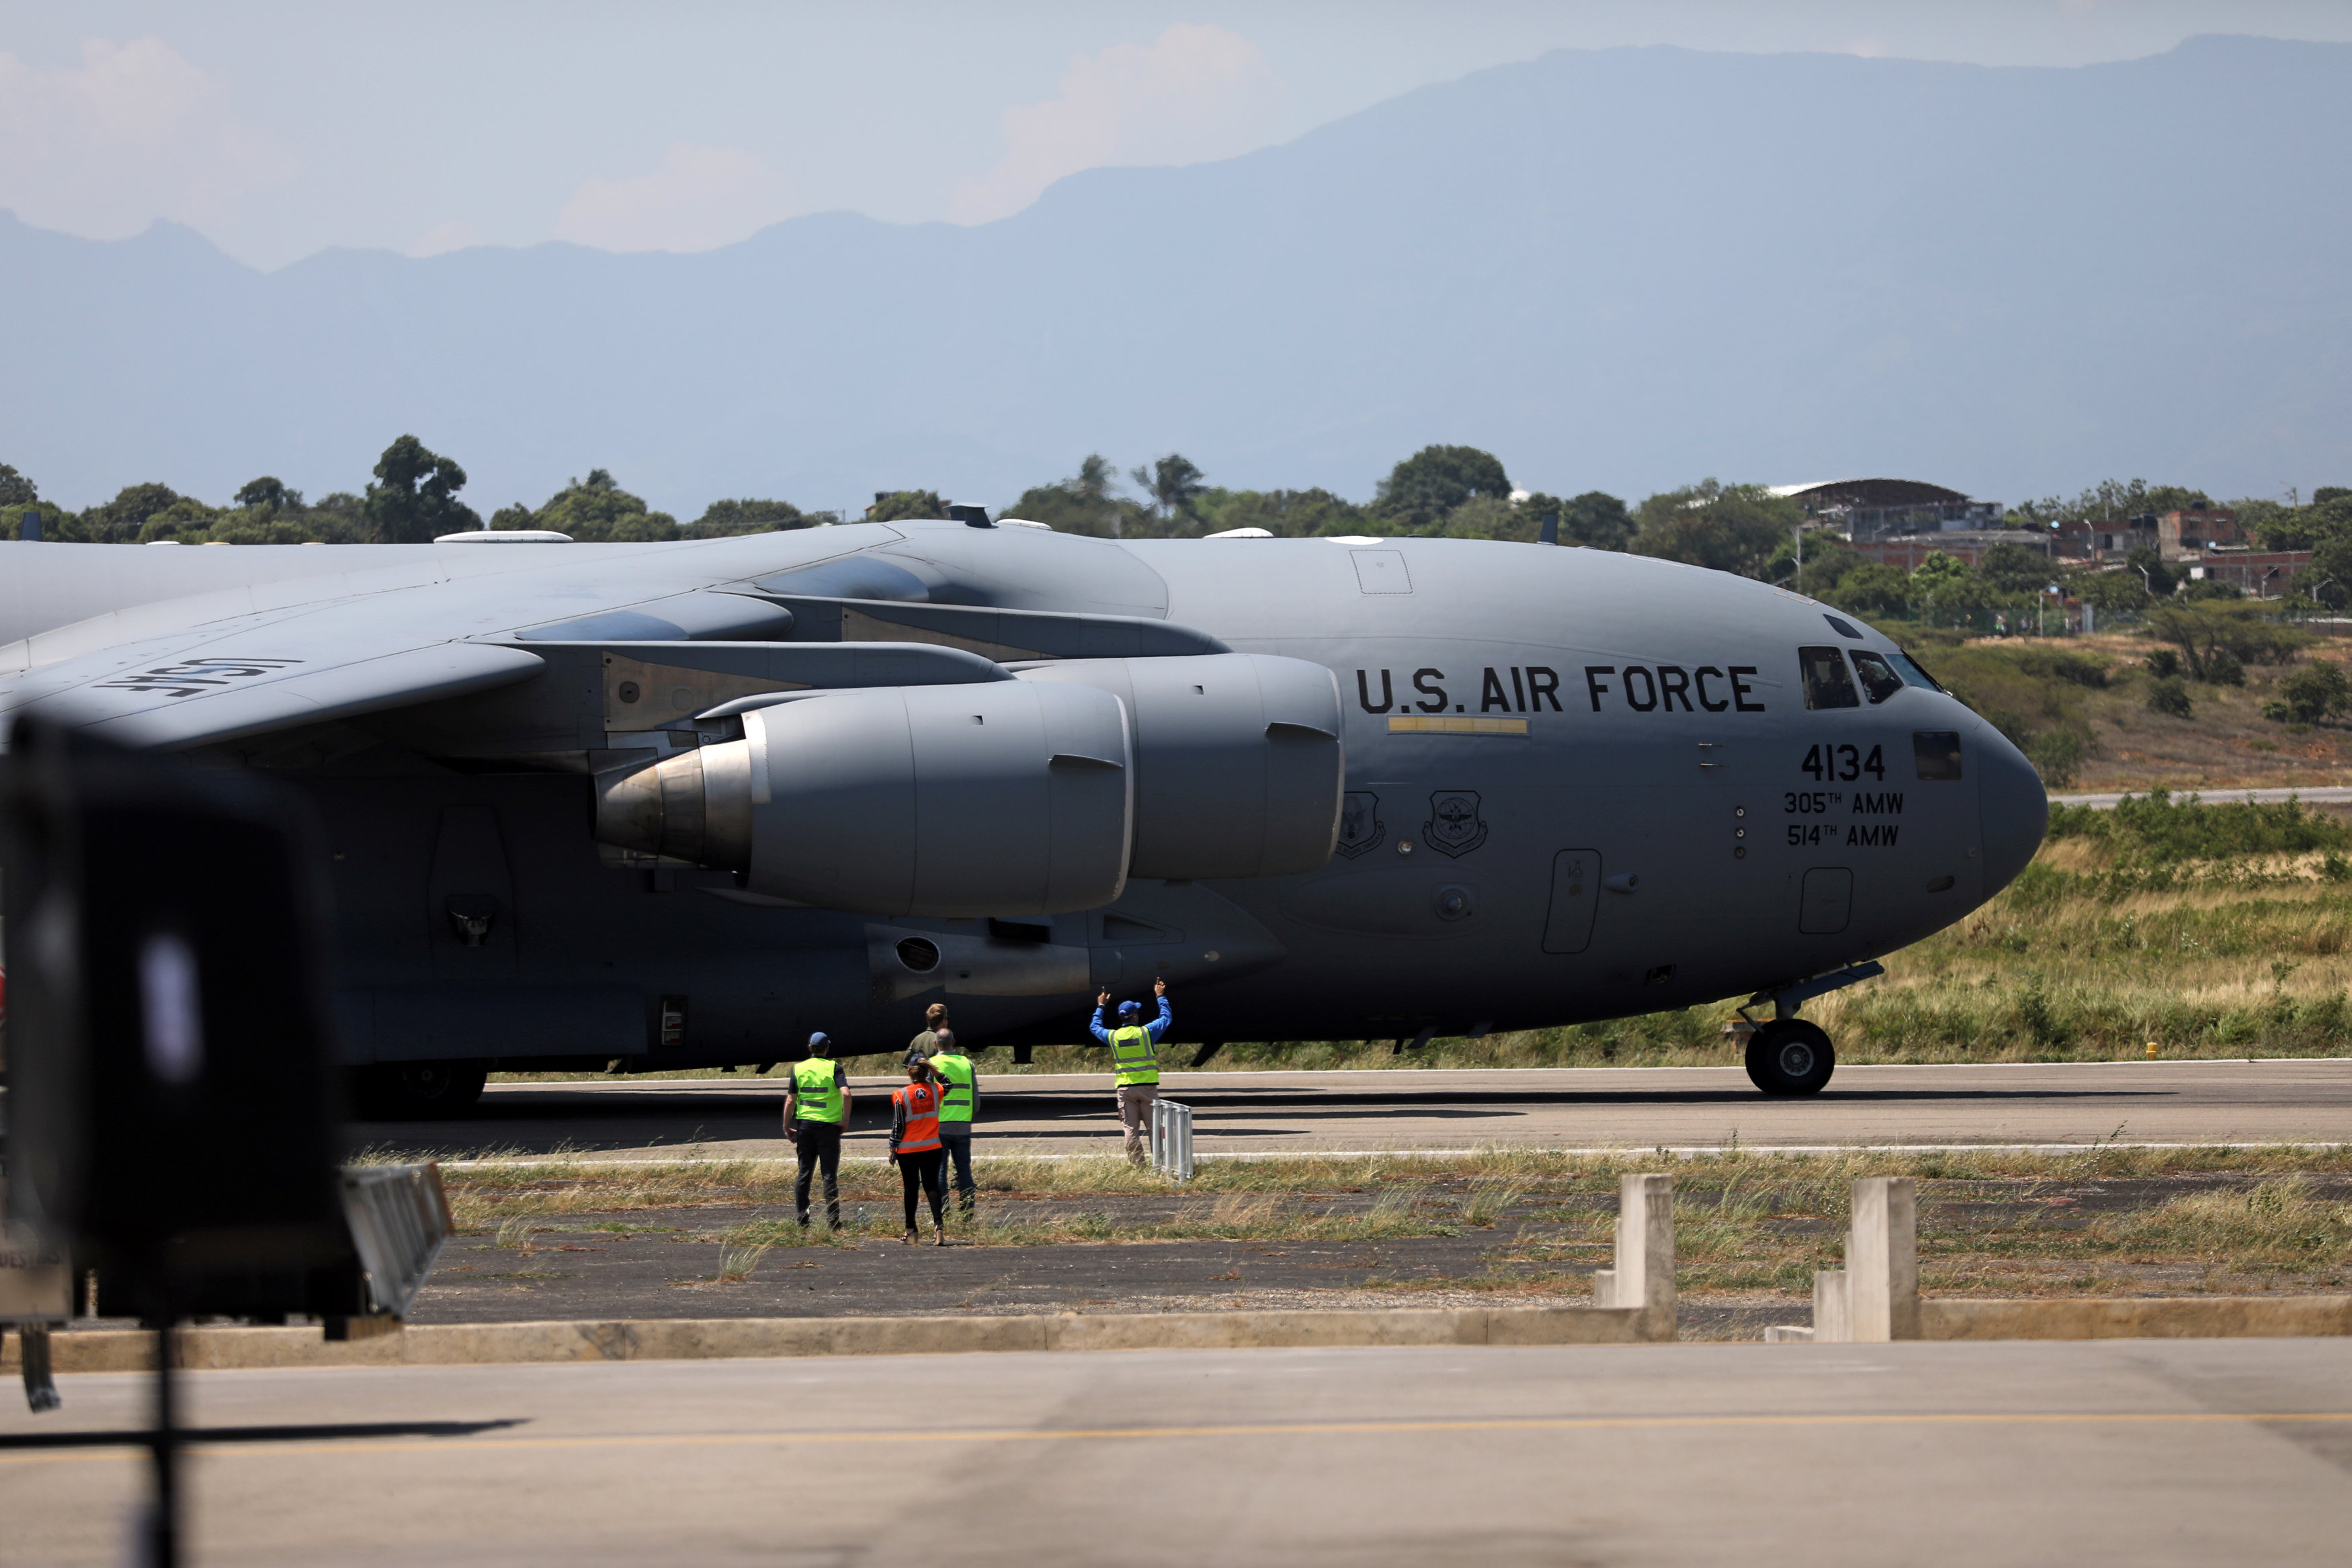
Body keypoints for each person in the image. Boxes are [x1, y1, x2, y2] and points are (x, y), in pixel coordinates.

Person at [1091, 979, 1170, 1164]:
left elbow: (1095, 1027)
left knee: (1130, 1129)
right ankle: (1160, 1164)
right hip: (1148, 1088)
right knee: (1155, 1129)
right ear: (1134, 1016)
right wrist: (1160, 997)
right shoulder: (1146, 1033)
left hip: (1125, 1089)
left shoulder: (1113, 1036)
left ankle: (1137, 1165)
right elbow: (1166, 1019)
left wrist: (1101, 1007)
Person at [783, 1031, 851, 1228]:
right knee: (829, 1176)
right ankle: (834, 1221)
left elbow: (790, 1100)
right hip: (829, 1128)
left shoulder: (799, 1069)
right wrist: (844, 1121)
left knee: (804, 1174)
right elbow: (846, 1095)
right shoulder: (834, 1068)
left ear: (810, 1048)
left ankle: (802, 1220)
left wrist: (787, 1126)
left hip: (805, 1127)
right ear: (827, 1048)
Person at [890, 1055, 950, 1245]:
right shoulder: (936, 1089)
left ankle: (911, 1231)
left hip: (907, 1151)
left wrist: (893, 1146)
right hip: (932, 1147)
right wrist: (935, 1071)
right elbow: (949, 1084)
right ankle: (938, 1227)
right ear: (926, 1071)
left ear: (909, 1072)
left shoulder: (901, 1094)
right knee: (932, 1185)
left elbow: (898, 1124)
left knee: (911, 1188)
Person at [928, 1029, 979, 1219]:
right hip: (963, 1125)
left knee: (940, 1170)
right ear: (954, 1042)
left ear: (935, 1044)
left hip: (939, 1125)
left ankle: (942, 1212)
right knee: (964, 1169)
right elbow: (976, 1099)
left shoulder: (932, 1064)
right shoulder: (967, 1063)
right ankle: (967, 1212)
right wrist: (969, 1117)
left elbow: (928, 1096)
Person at [908, 1002, 949, 1066]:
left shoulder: (917, 1039)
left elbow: (906, 1062)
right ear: (943, 1021)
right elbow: (946, 1065)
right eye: (947, 1018)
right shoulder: (941, 1041)